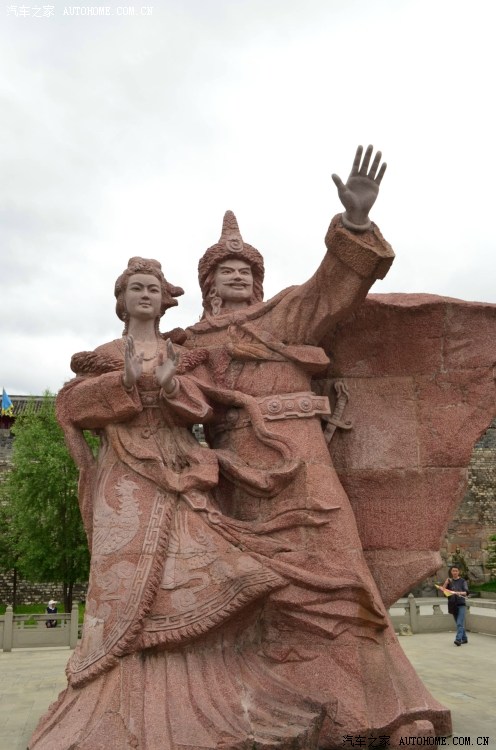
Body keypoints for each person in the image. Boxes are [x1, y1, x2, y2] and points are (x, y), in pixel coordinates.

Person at [184, 146, 451, 745]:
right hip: (236, 469)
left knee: (343, 577)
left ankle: (389, 709)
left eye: (245, 269)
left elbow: (332, 288)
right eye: (225, 270)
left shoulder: (282, 318)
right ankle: (279, 699)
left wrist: (354, 221)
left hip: (302, 456)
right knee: (263, 588)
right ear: (208, 284)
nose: (237, 276)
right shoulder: (189, 343)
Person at [30, 257, 296, 750]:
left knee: (222, 565)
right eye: (136, 287)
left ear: (163, 298)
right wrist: (123, 382)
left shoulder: (181, 353)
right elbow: (73, 407)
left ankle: (204, 687)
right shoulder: (104, 355)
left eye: (153, 287)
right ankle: (118, 699)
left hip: (178, 466)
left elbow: (202, 408)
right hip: (125, 475)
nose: (146, 294)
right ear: (122, 300)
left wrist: (172, 385)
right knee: (123, 578)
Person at [443, 566, 469, 645]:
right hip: (452, 604)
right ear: (451, 572)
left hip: (461, 604)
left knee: (459, 623)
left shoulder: (463, 581)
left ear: (458, 572)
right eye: (453, 571)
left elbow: (466, 592)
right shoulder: (449, 581)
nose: (455, 572)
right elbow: (444, 591)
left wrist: (459, 593)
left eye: (456, 571)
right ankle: (464, 638)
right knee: (458, 623)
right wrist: (446, 583)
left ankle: (458, 640)